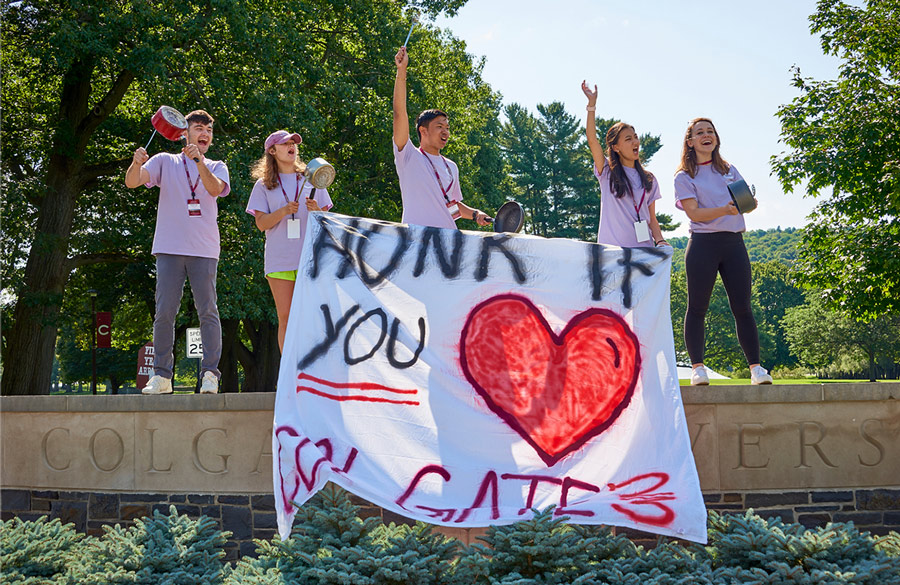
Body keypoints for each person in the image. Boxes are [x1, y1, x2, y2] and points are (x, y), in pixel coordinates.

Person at [125, 109, 230, 395]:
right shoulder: (164, 160)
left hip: (205, 250)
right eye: (198, 128)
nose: (205, 134)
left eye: (208, 131)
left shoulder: (217, 166)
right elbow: (132, 182)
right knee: (164, 313)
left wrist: (198, 162)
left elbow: (214, 189)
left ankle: (210, 373)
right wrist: (135, 164)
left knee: (208, 311)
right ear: (184, 132)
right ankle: (162, 376)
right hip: (169, 249)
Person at [674, 117, 772, 386]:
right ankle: (698, 368)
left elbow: (746, 205)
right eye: (700, 132)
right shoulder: (684, 176)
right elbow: (694, 212)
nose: (707, 135)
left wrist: (747, 203)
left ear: (716, 138)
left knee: (743, 308)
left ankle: (756, 369)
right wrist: (726, 209)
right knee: (697, 308)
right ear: (690, 142)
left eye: (710, 131)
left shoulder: (729, 169)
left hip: (733, 244)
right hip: (703, 245)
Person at [246, 130, 333, 353]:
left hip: (310, 258)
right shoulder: (263, 185)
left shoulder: (311, 178)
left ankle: (312, 371)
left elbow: (327, 223)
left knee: (311, 315)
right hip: (280, 260)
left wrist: (316, 211)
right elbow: (261, 223)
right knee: (285, 317)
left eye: (294, 143)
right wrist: (284, 211)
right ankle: (289, 374)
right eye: (285, 143)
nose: (292, 146)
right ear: (272, 151)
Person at [393, 45, 492, 229]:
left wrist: (475, 214)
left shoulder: (451, 167)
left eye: (447, 127)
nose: (445, 131)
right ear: (423, 130)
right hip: (415, 241)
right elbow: (400, 114)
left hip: (447, 241)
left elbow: (451, 208)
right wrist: (402, 71)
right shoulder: (408, 156)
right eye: (439, 127)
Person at [582, 81, 667, 248]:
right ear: (616, 147)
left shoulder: (649, 179)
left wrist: (661, 241)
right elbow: (592, 140)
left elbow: (652, 219)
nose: (635, 142)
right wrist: (591, 105)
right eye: (628, 139)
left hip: (643, 254)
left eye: (635, 137)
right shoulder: (606, 172)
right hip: (612, 254)